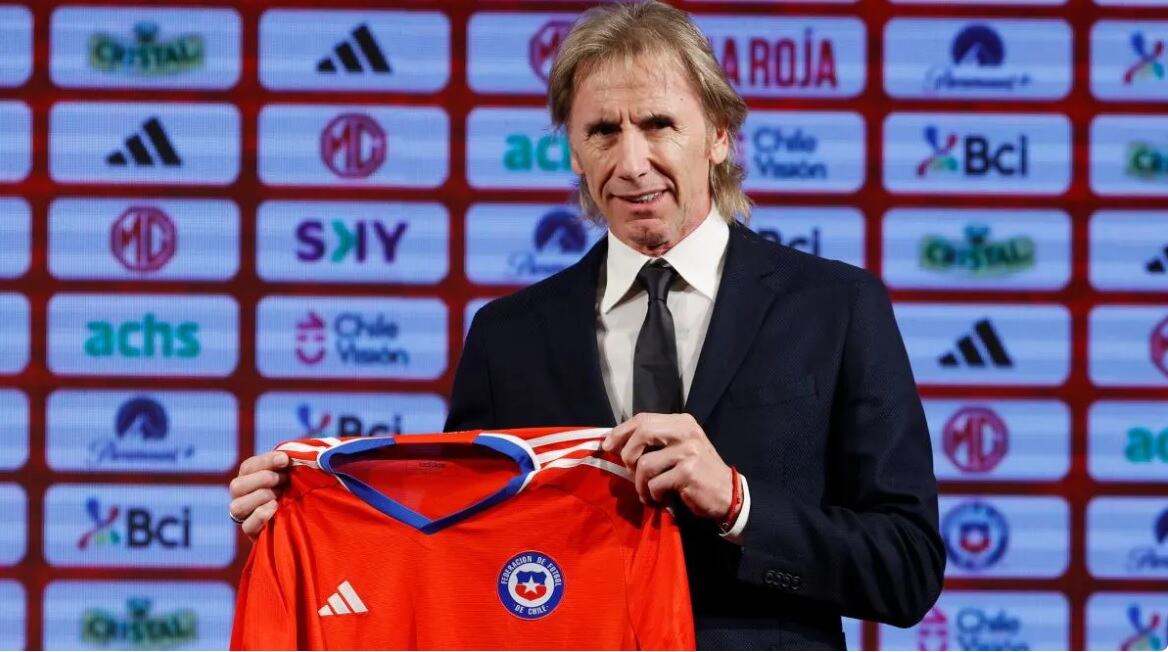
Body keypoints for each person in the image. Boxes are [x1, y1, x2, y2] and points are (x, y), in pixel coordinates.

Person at [229, 1, 944, 648]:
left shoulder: (837, 309)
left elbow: (907, 570)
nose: (632, 163)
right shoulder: (507, 338)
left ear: (719, 135)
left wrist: (738, 503)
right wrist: (311, 515)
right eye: (603, 131)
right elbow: (450, 553)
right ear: (574, 150)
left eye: (659, 124)